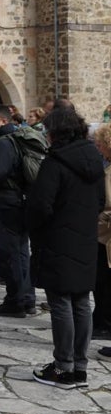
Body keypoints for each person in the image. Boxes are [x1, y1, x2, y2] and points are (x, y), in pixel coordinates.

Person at [28, 108, 106, 389]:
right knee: (82, 302)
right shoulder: (94, 161)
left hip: (58, 239)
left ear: (56, 132)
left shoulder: (55, 162)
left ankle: (63, 367)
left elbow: (40, 205)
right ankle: (79, 367)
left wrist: (37, 228)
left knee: (61, 302)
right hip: (84, 238)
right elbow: (99, 200)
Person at [0, 104, 36, 318]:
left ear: (3, 121)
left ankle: (15, 301)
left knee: (11, 255)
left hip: (7, 205)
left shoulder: (3, 143)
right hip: (20, 203)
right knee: (21, 254)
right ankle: (26, 299)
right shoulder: (16, 138)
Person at [93, 124, 111, 342]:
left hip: (106, 234)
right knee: (101, 281)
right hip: (102, 233)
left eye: (100, 144)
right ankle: (101, 320)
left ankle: (106, 324)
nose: (98, 148)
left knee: (106, 282)